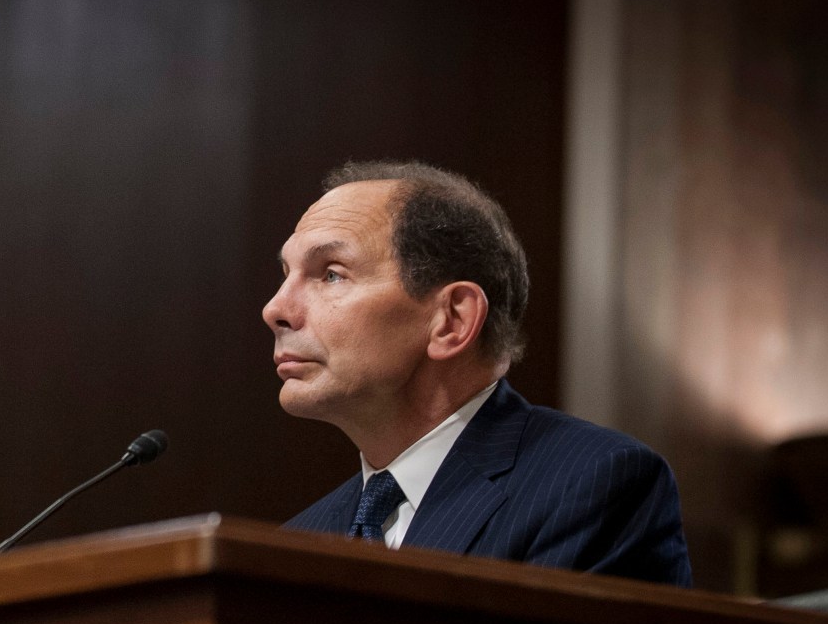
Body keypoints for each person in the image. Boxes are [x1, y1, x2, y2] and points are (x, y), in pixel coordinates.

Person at [263, 160, 691, 586]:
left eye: (331, 274)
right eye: (286, 275)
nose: (275, 309)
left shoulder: (594, 485)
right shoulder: (298, 542)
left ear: (452, 320)